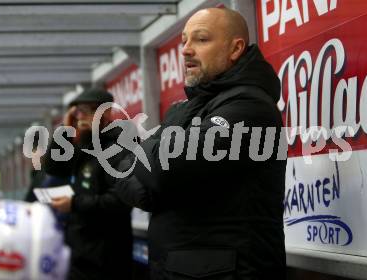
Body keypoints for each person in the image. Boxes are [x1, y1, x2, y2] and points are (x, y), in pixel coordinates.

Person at [113, 7, 287, 279]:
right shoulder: (194, 108)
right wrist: (154, 160)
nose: (185, 50)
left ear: (235, 49)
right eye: (184, 40)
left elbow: (161, 170)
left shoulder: (248, 108)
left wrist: (146, 147)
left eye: (201, 39)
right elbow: (142, 191)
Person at [43, 88, 133, 280]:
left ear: (106, 113)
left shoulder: (120, 148)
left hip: (106, 258)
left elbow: (121, 201)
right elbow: (53, 168)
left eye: (87, 110)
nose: (80, 116)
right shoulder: (86, 147)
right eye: (77, 111)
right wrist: (64, 131)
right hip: (81, 253)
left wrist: (74, 203)